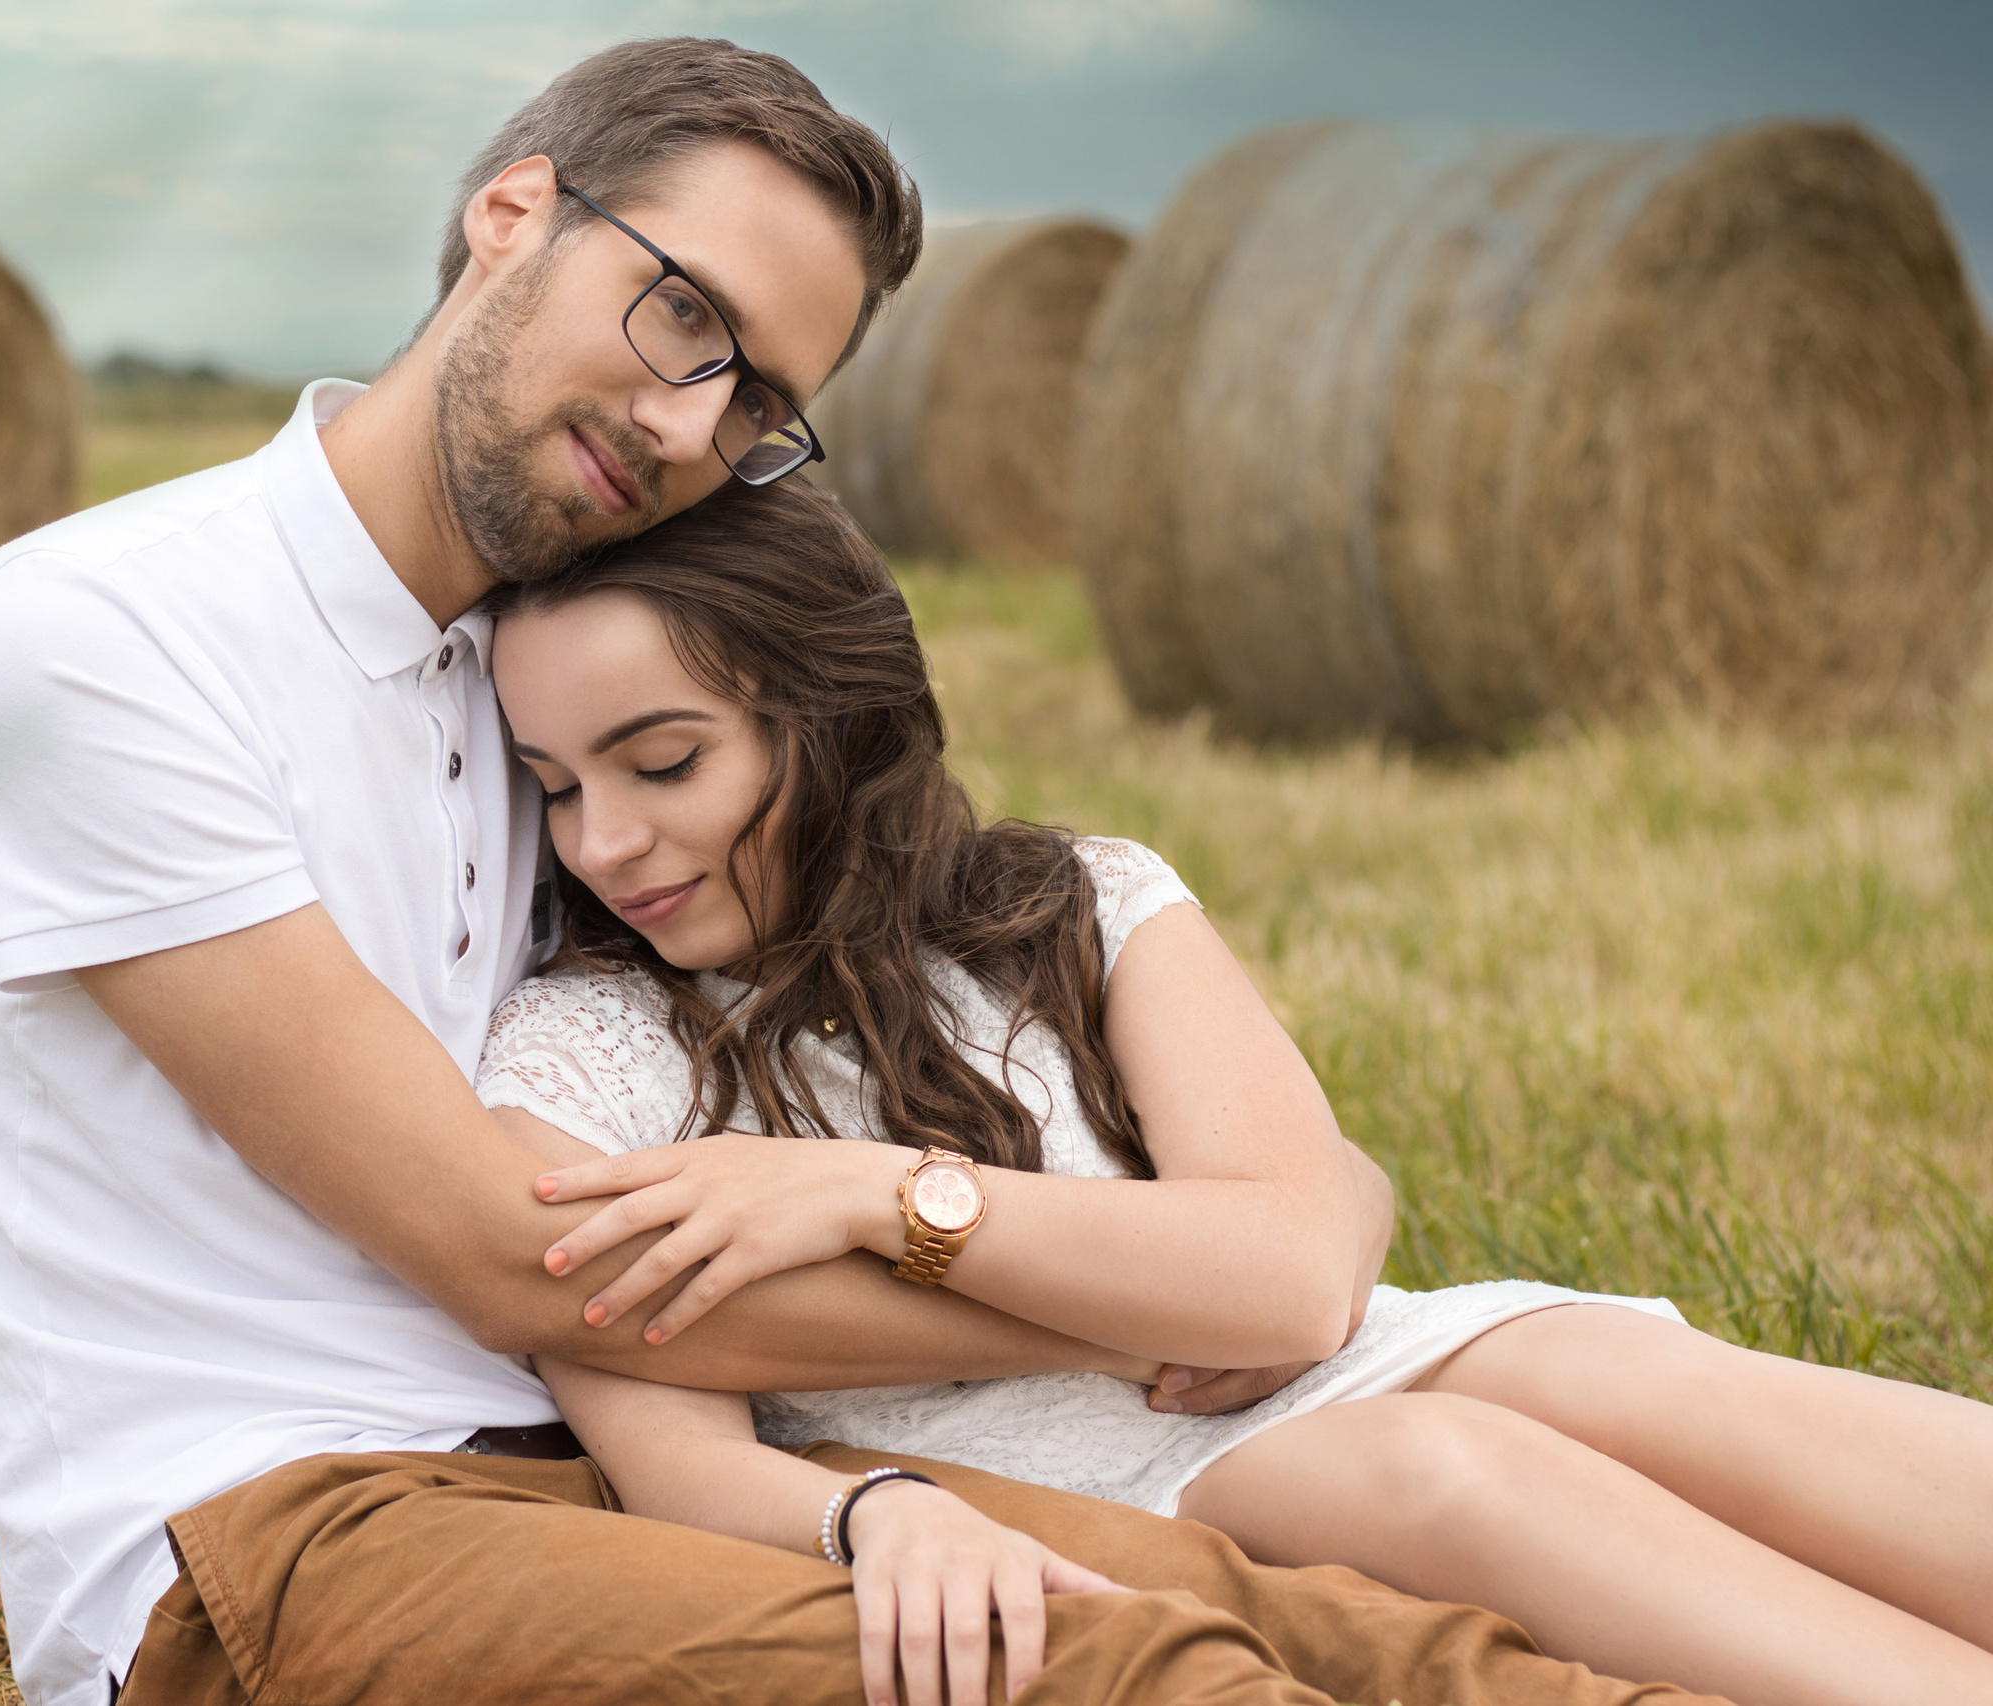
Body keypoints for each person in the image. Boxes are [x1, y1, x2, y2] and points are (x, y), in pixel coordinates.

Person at [0, 35, 1737, 1706]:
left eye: (757, 398)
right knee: (1143, 1685)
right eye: (678, 315)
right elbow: (524, 1259)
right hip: (292, 1529)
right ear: (511, 211)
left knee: (1394, 1647)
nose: (692, 426)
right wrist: (1196, 1281)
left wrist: (1312, 1216)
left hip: (676, 1467)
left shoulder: (540, 683)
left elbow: (907, 953)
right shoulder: (101, 635)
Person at [471, 474, 1993, 1706]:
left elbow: (1289, 1276)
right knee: (1445, 1471)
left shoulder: (1078, 900)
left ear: (829, 714)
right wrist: (871, 1511)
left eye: (662, 762)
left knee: (1626, 1375)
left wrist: (880, 1192)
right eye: (553, 782)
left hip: (1349, 1357)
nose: (602, 842)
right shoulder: (574, 1060)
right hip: (1108, 1477)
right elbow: (672, 1462)